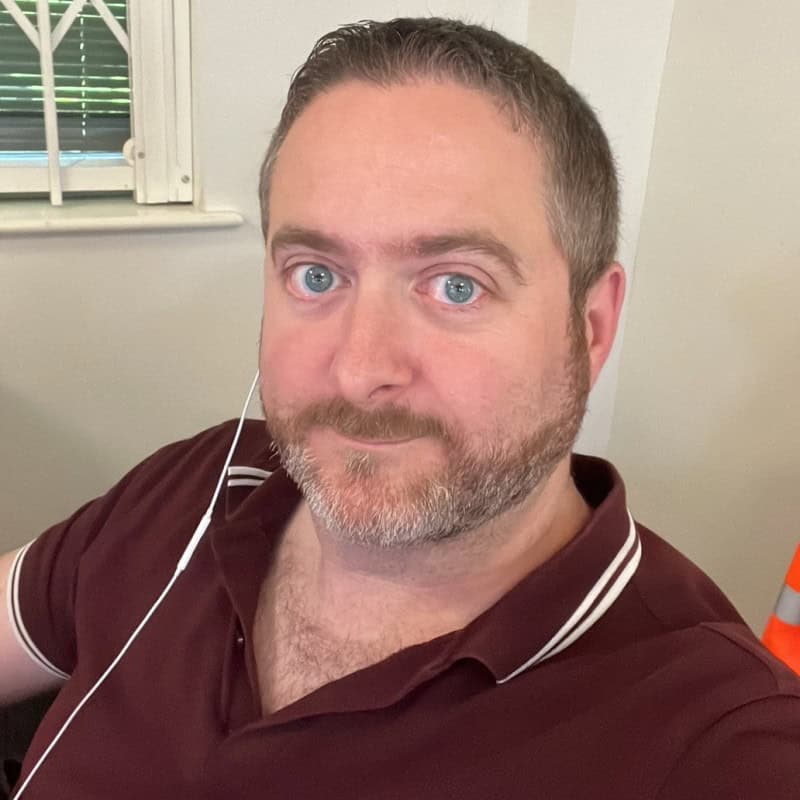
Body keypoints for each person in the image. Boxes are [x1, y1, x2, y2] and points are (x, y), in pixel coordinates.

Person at [1, 16, 799, 799]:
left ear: (589, 328)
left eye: (456, 285)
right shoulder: (202, 486)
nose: (359, 371)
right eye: (317, 275)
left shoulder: (713, 739)